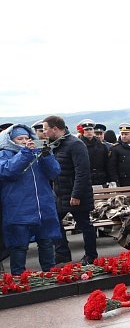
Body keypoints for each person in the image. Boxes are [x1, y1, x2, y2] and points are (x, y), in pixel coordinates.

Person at [0, 125, 61, 273]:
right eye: (19, 138)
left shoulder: (37, 153)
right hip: (19, 209)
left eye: (27, 138)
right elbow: (7, 171)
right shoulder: (5, 154)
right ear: (10, 140)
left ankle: (50, 275)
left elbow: (54, 172)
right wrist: (25, 153)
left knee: (46, 242)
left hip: (43, 208)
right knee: (19, 246)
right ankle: (18, 278)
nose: (24, 141)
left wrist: (47, 156)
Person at [42, 115, 97, 264]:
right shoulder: (54, 145)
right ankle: (62, 253)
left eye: (45, 129)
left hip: (75, 194)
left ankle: (91, 255)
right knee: (54, 222)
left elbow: (82, 171)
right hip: (60, 194)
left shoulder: (75, 144)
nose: (44, 132)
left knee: (84, 224)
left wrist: (76, 194)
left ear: (55, 129)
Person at [80, 121, 110, 186]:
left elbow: (107, 164)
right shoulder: (78, 146)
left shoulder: (102, 146)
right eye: (86, 130)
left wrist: (109, 179)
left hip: (101, 179)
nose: (89, 132)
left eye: (91, 129)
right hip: (84, 179)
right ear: (83, 131)